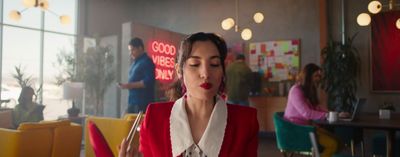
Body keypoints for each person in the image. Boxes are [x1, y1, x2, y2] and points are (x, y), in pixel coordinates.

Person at [119, 32, 259, 157]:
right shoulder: (154, 118)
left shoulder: (246, 122)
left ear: (223, 70)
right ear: (179, 71)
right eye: (194, 64)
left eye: (215, 64)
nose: (205, 74)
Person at [284, 63, 343, 157]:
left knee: (339, 142)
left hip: (308, 127)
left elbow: (317, 107)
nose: (319, 79)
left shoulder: (309, 90)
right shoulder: (296, 90)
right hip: (297, 130)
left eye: (319, 76)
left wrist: (335, 114)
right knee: (333, 144)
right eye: (316, 75)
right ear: (308, 76)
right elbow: (307, 113)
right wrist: (328, 115)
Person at [118, 37, 155, 113]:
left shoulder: (147, 62)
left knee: (139, 124)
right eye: (129, 50)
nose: (131, 53)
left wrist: (129, 85)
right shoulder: (135, 63)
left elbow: (148, 82)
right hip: (132, 101)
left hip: (142, 102)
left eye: (133, 50)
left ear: (140, 48)